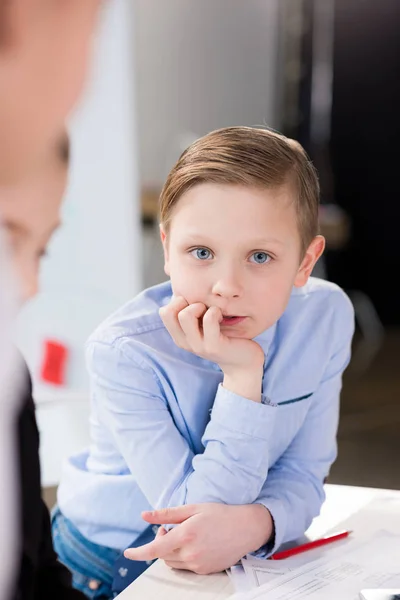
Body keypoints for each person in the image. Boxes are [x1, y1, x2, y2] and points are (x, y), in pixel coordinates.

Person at [53, 126, 355, 598]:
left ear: (305, 261)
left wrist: (260, 523)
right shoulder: (124, 351)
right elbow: (190, 523)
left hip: (241, 541)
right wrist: (241, 374)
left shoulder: (325, 316)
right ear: (168, 249)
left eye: (260, 256)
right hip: (116, 548)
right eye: (201, 252)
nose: (225, 285)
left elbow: (303, 472)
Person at [0, 132, 86, 599]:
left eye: (40, 249)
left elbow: (36, 568)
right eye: (6, 241)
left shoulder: (8, 375)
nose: (31, 285)